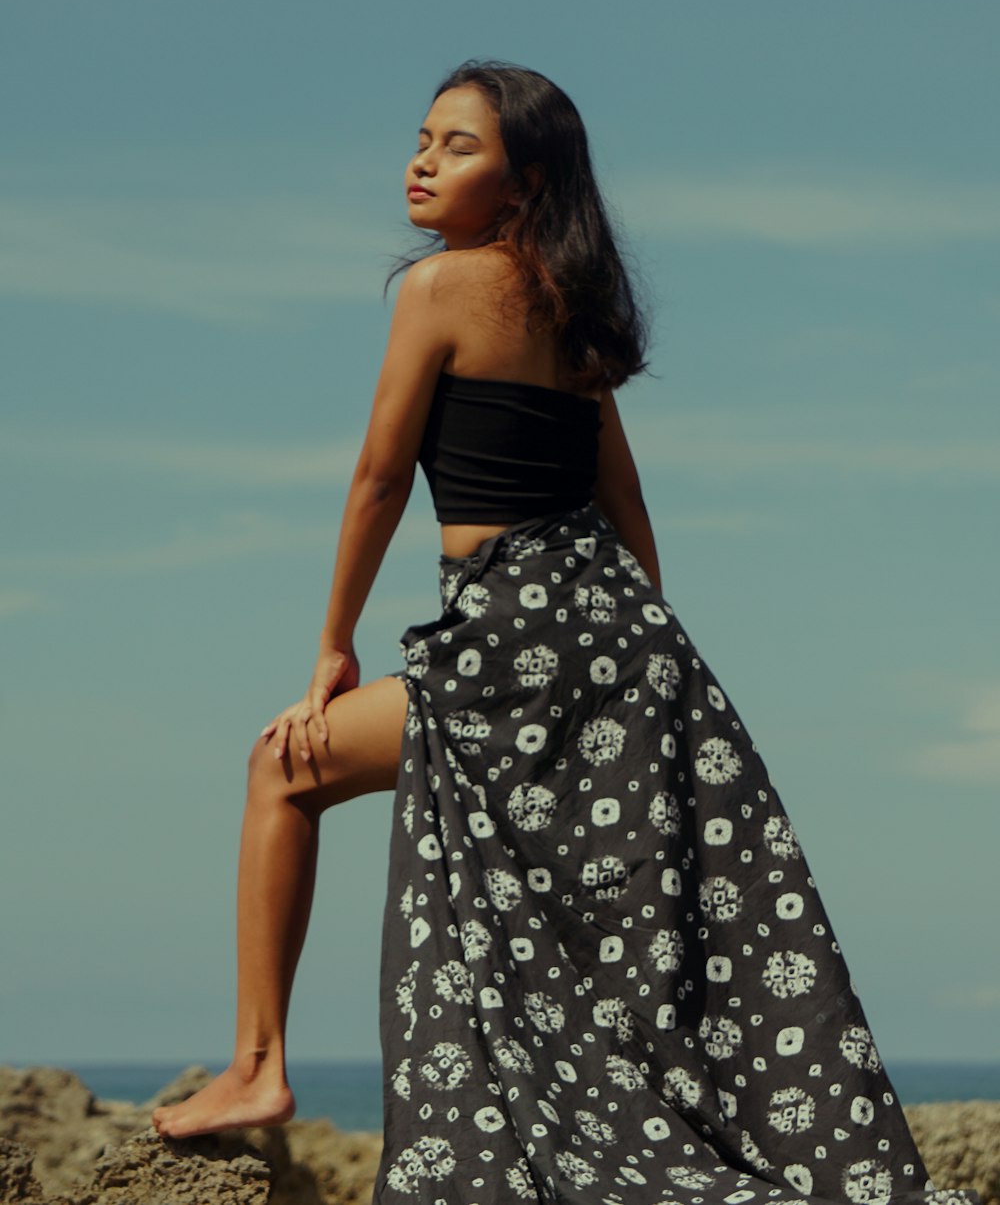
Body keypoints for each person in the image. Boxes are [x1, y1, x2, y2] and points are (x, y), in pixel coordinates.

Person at [152, 61, 978, 1205]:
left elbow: (379, 478)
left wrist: (331, 644)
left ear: (524, 180)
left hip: (511, 623)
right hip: (616, 631)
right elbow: (628, 508)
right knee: (599, 898)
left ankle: (256, 1065)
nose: (422, 159)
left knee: (276, 769)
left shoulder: (439, 287)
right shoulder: (570, 301)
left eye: (457, 145)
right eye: (422, 138)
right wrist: (641, 673)